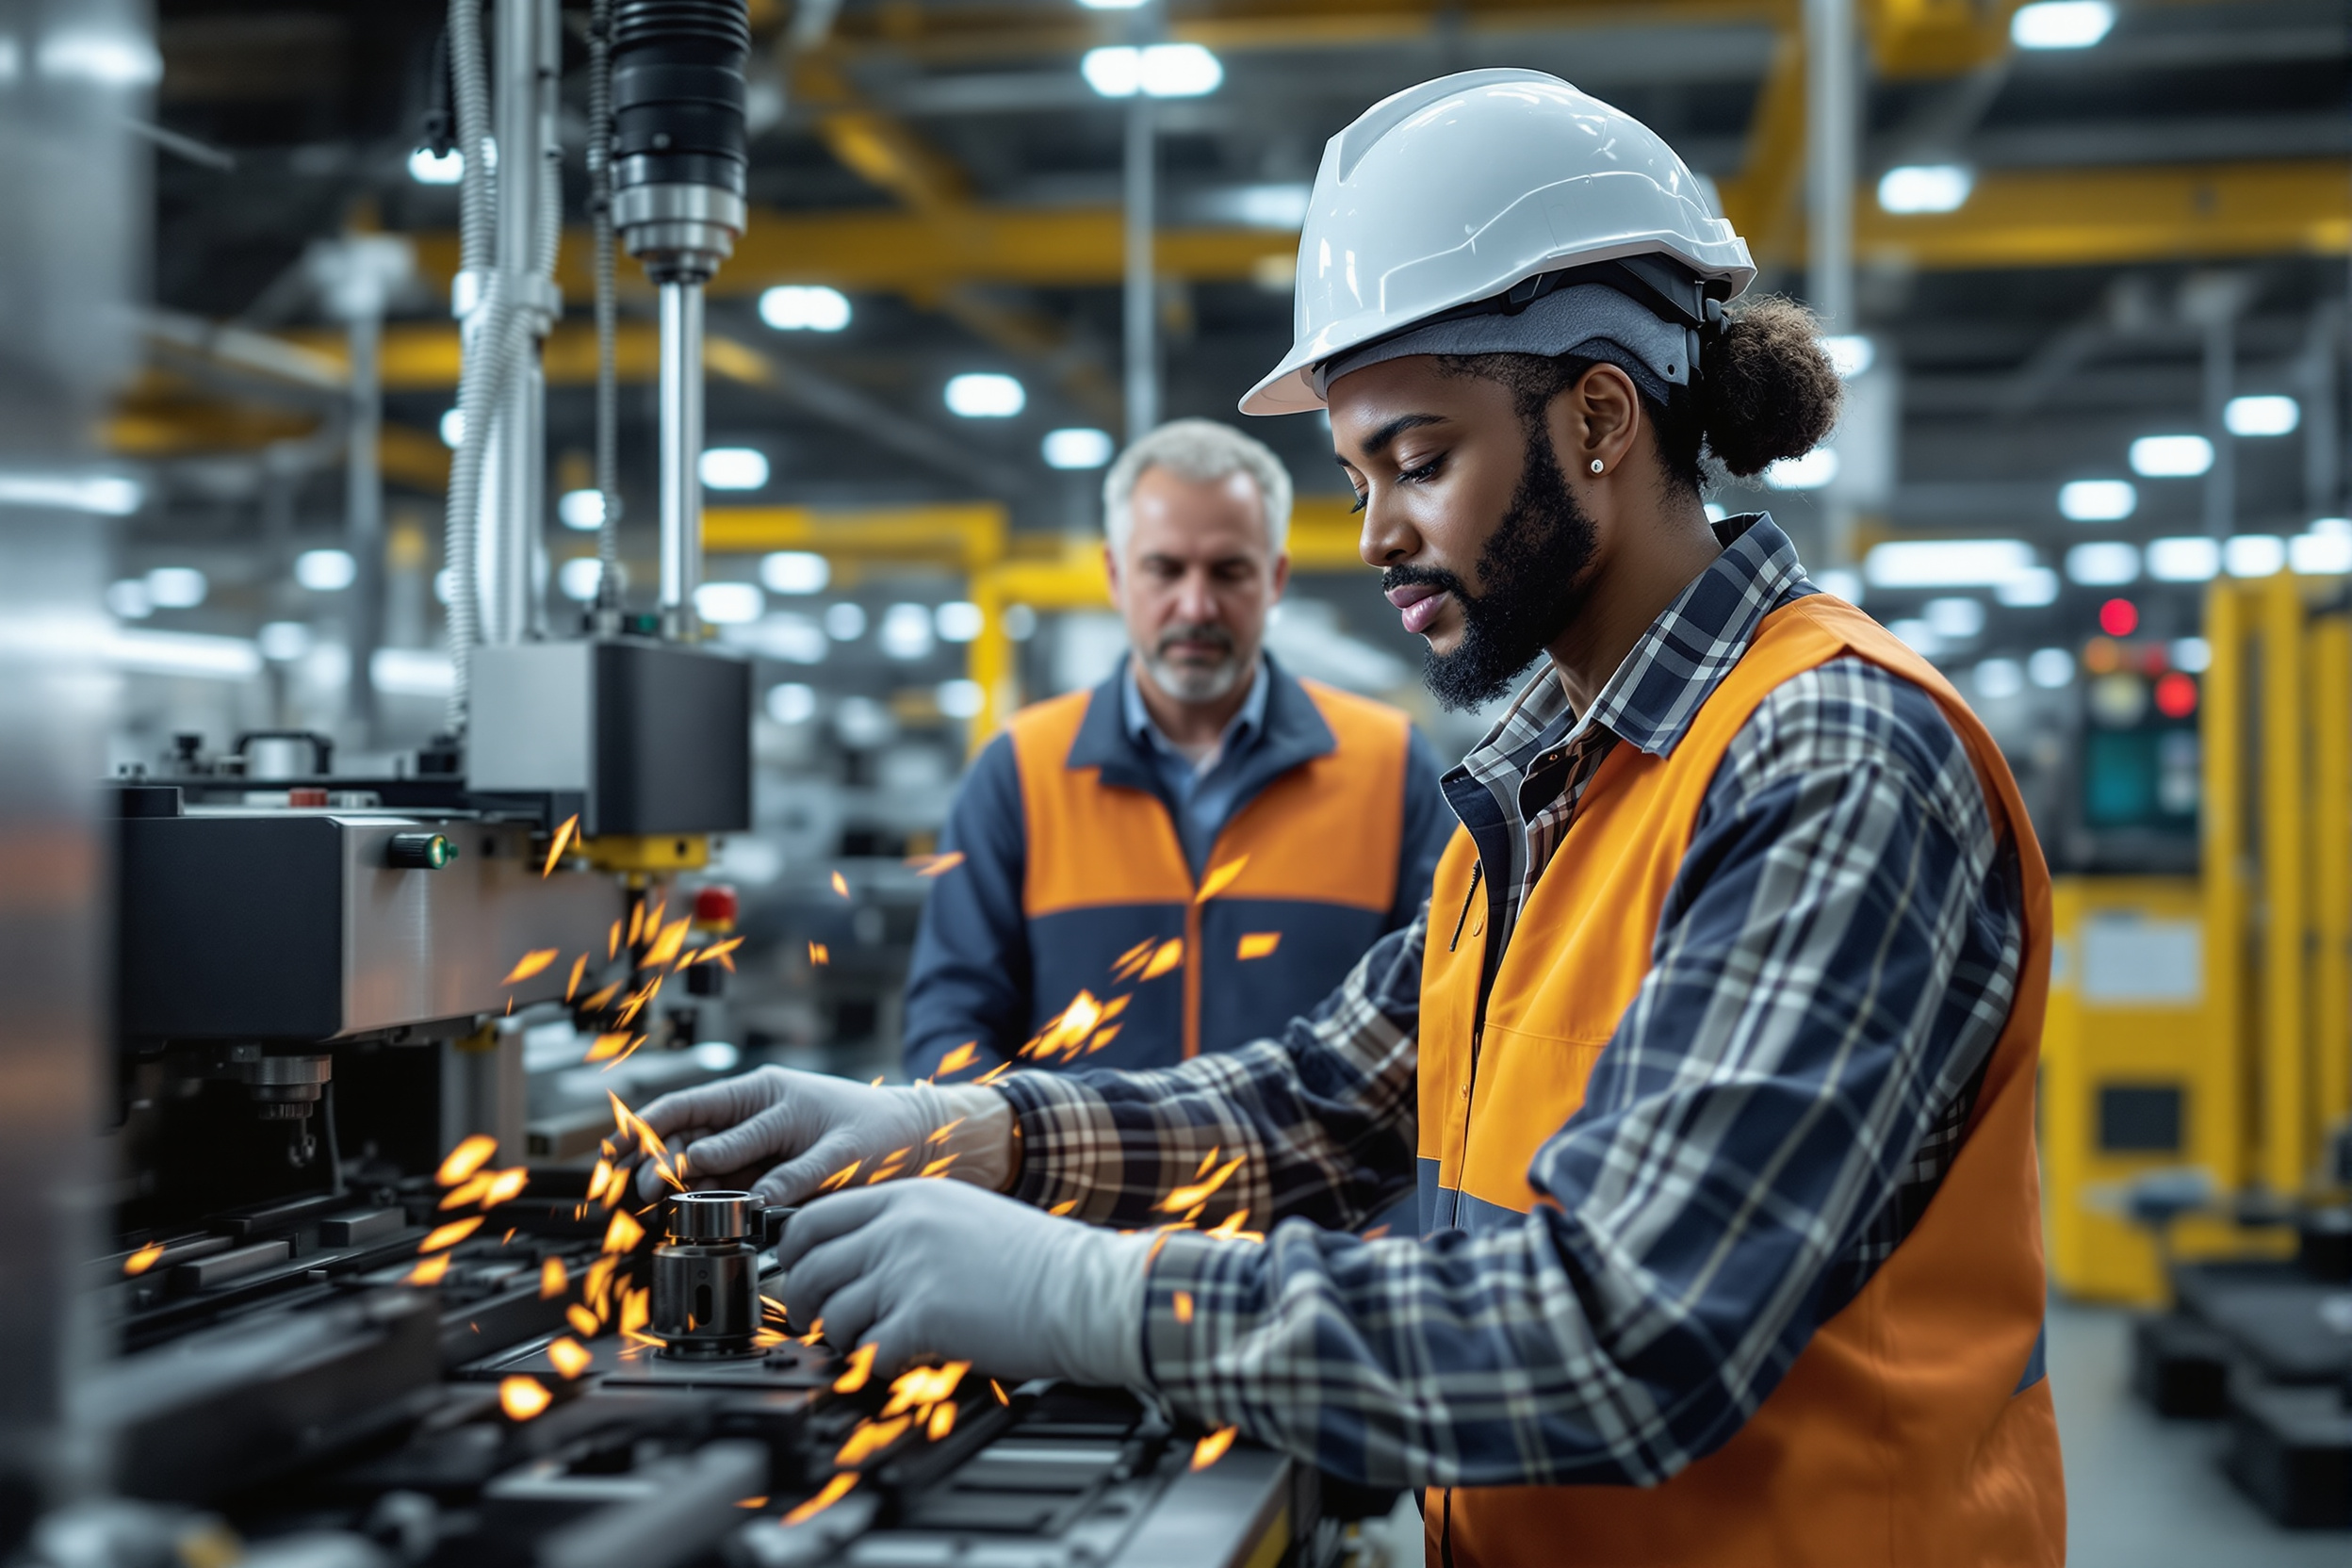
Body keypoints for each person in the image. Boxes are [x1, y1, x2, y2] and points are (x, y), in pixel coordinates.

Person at [634, 71, 2063, 1566]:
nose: (1374, 534)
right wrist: (958, 1132)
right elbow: (1313, 1105)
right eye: (1354, 474)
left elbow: (1623, 1336)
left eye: (1421, 461)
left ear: (1598, 416)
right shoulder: (1546, 781)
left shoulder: (1828, 756)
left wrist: (1092, 1298)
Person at [897, 417, 1450, 1080]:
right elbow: (950, 1026)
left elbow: (1436, 1014)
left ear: (1274, 579)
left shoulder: (1387, 765)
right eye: (1164, 569)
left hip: (1318, 1182)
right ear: (1114, 575)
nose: (1196, 606)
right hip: (1072, 1178)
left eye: (1228, 571)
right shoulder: (1019, 770)